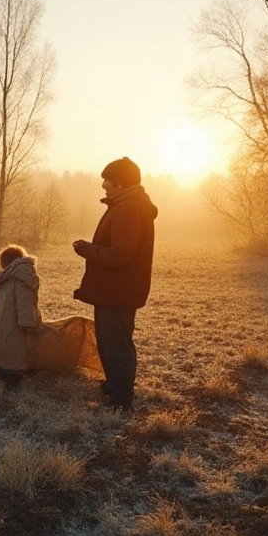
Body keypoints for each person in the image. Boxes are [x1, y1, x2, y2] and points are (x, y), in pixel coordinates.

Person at [73, 157, 158, 410]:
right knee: (109, 341)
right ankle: (114, 385)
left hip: (119, 291)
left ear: (120, 183)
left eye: (107, 180)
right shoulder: (124, 206)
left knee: (117, 344)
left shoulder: (129, 209)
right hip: (114, 290)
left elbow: (120, 254)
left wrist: (86, 249)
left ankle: (121, 399)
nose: (103, 185)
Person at [0, 244, 41, 390]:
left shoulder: (6, 277)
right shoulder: (23, 278)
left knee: (3, 349)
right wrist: (29, 324)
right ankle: (11, 375)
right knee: (15, 351)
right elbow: (26, 305)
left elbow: (19, 303)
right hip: (13, 328)